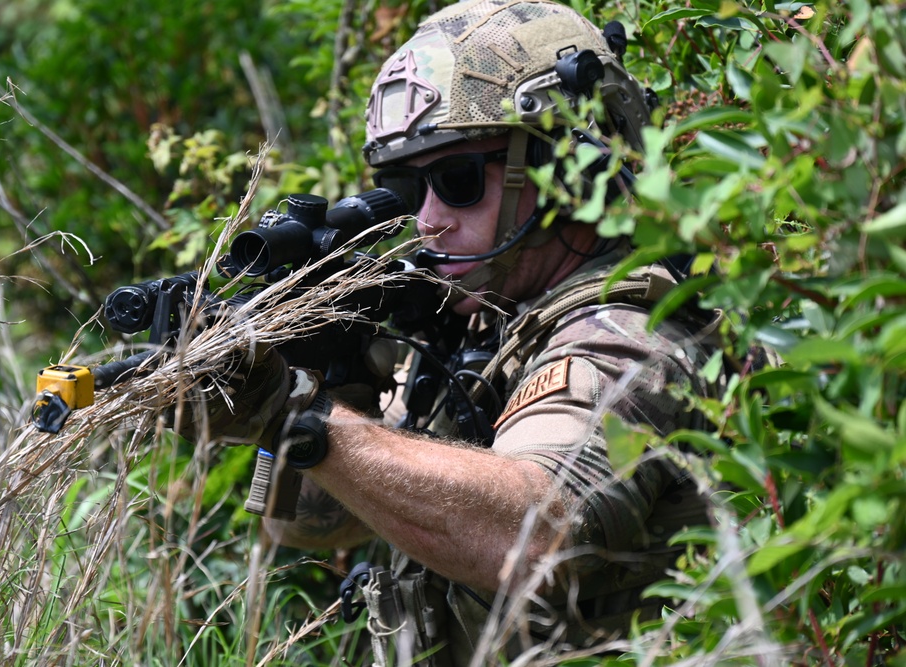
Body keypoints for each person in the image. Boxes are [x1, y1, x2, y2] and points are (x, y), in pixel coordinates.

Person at [197, 1, 721, 664]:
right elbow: (308, 523)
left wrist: (304, 419)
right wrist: (331, 377)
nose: (428, 219)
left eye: (457, 180)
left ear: (569, 164)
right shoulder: (493, 330)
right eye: (406, 188)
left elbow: (536, 535)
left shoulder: (623, 331)